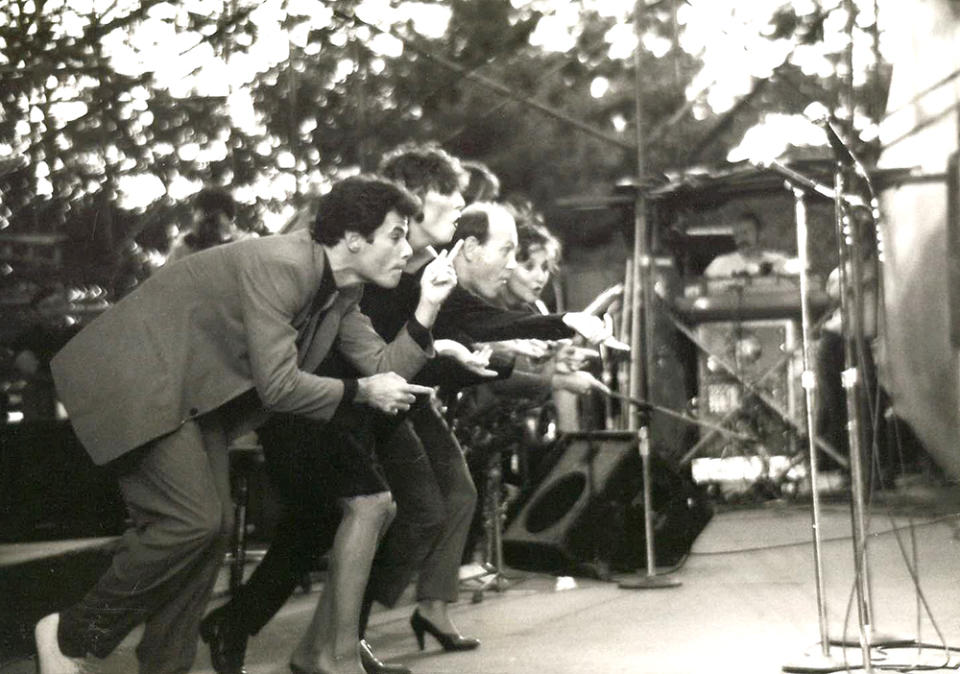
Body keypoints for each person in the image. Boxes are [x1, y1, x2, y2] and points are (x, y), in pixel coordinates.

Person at [34, 174, 459, 674]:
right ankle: (69, 634)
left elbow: (385, 365)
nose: (407, 248)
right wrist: (360, 391)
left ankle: (166, 666)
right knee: (192, 521)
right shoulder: (282, 264)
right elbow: (280, 385)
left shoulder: (340, 292)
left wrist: (427, 307)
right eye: (396, 234)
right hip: (138, 382)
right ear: (353, 238)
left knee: (209, 533)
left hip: (190, 399)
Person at [703, 211, 799, 279]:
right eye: (736, 235)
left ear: (760, 234)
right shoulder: (719, 264)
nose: (741, 239)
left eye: (745, 233)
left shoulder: (780, 262)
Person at [167, 187, 249, 264]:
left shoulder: (243, 247)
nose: (208, 229)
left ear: (230, 222)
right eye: (204, 223)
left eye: (215, 223)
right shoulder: (180, 250)